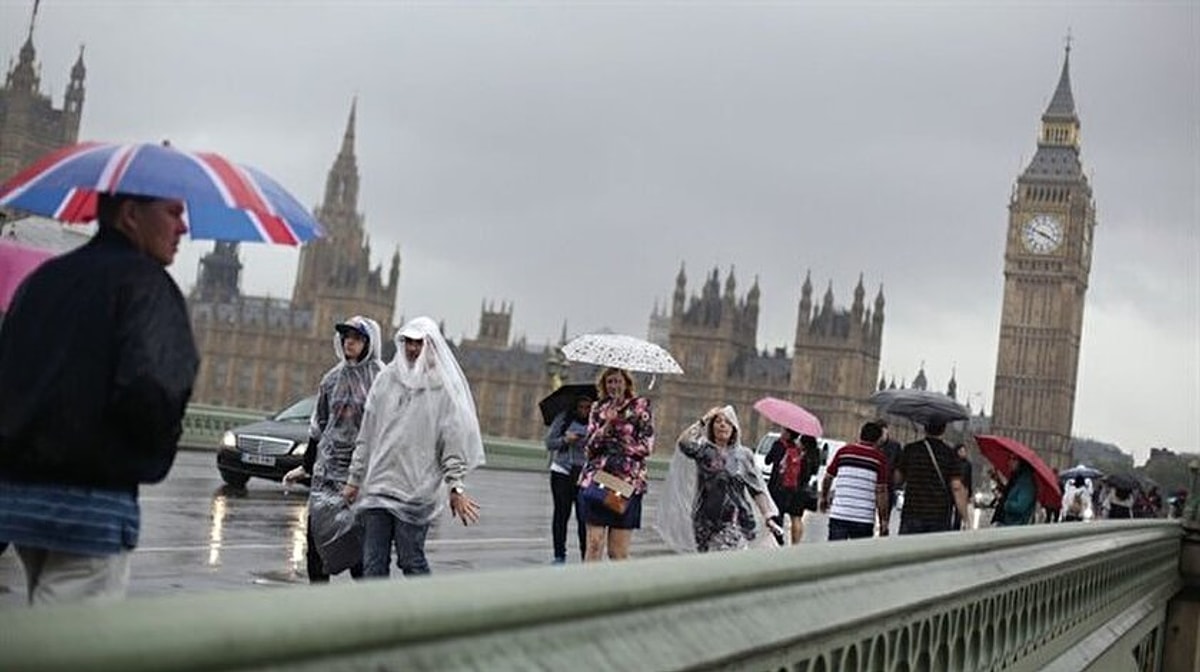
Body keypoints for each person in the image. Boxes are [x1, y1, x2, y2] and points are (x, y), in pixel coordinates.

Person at [0, 193, 198, 605]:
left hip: (19, 501)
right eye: (173, 213)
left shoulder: (45, 277)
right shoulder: (147, 286)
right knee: (67, 651)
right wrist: (140, 456)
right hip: (92, 508)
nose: (183, 228)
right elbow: (154, 392)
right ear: (129, 215)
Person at [343, 317, 485, 578]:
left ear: (431, 346)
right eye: (408, 342)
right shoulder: (387, 379)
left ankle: (425, 613)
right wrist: (354, 479)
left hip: (415, 491)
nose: (412, 349)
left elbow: (451, 444)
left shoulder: (444, 390)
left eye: (419, 343)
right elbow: (367, 434)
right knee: (373, 564)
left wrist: (456, 486)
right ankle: (377, 617)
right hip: (379, 486)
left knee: (410, 561)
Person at [283, 316, 384, 582]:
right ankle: (318, 603)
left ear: (370, 343)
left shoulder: (382, 380)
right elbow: (319, 426)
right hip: (326, 474)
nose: (349, 342)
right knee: (316, 536)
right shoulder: (330, 379)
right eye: (346, 337)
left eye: (357, 338)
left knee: (355, 542)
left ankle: (368, 605)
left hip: (361, 475)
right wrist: (306, 466)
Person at [658, 406, 780, 553]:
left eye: (727, 422)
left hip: (736, 520)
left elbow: (756, 489)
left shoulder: (743, 456)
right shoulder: (704, 451)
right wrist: (704, 419)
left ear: (734, 428)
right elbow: (683, 442)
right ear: (712, 427)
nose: (722, 425)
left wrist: (768, 517)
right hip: (707, 521)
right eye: (718, 421)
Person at [578, 367, 653, 562]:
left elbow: (646, 447)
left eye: (618, 381)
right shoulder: (598, 408)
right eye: (610, 381)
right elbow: (590, 447)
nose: (614, 385)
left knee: (617, 553)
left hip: (625, 484)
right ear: (604, 385)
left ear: (627, 383)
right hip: (598, 480)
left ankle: (625, 591)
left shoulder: (640, 407)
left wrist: (619, 441)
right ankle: (586, 590)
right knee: (594, 544)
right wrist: (608, 425)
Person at [892, 420, 970, 535]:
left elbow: (897, 479)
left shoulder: (910, 449)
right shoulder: (950, 454)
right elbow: (956, 487)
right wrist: (965, 518)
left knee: (908, 551)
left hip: (912, 513)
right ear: (943, 429)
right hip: (939, 517)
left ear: (925, 428)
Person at [819, 422, 890, 541]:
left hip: (839, 515)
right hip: (863, 518)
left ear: (860, 435)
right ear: (878, 440)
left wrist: (824, 498)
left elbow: (828, 477)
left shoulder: (843, 452)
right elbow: (881, 491)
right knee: (858, 557)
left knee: (835, 555)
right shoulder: (879, 459)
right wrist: (883, 520)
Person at [544, 395, 591, 563]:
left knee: (584, 518)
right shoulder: (563, 418)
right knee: (561, 515)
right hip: (562, 471)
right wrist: (565, 439)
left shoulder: (597, 421)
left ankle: (587, 557)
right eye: (581, 407)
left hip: (585, 474)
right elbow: (549, 443)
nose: (584, 411)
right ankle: (559, 555)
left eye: (588, 407)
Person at [764, 429, 816, 545]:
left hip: (776, 485)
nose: (781, 432)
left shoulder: (779, 445)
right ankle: (786, 540)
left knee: (774, 513)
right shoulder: (797, 449)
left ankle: (777, 539)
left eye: (783, 430)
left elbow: (767, 461)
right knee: (787, 515)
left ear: (787, 434)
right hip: (791, 487)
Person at [993, 457, 1037, 526]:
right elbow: (1010, 494)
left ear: (1021, 462)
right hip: (1007, 523)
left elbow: (1020, 506)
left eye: (1014, 459)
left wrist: (1006, 504)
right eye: (1010, 458)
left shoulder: (1026, 483)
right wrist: (998, 482)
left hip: (1014, 526)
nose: (1009, 462)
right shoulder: (1016, 478)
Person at [950, 443, 974, 529]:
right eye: (961, 451)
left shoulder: (968, 464)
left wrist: (970, 493)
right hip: (953, 488)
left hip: (963, 489)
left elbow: (969, 478)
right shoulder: (952, 462)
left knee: (960, 511)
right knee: (950, 508)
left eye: (964, 451)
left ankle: (957, 526)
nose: (963, 453)